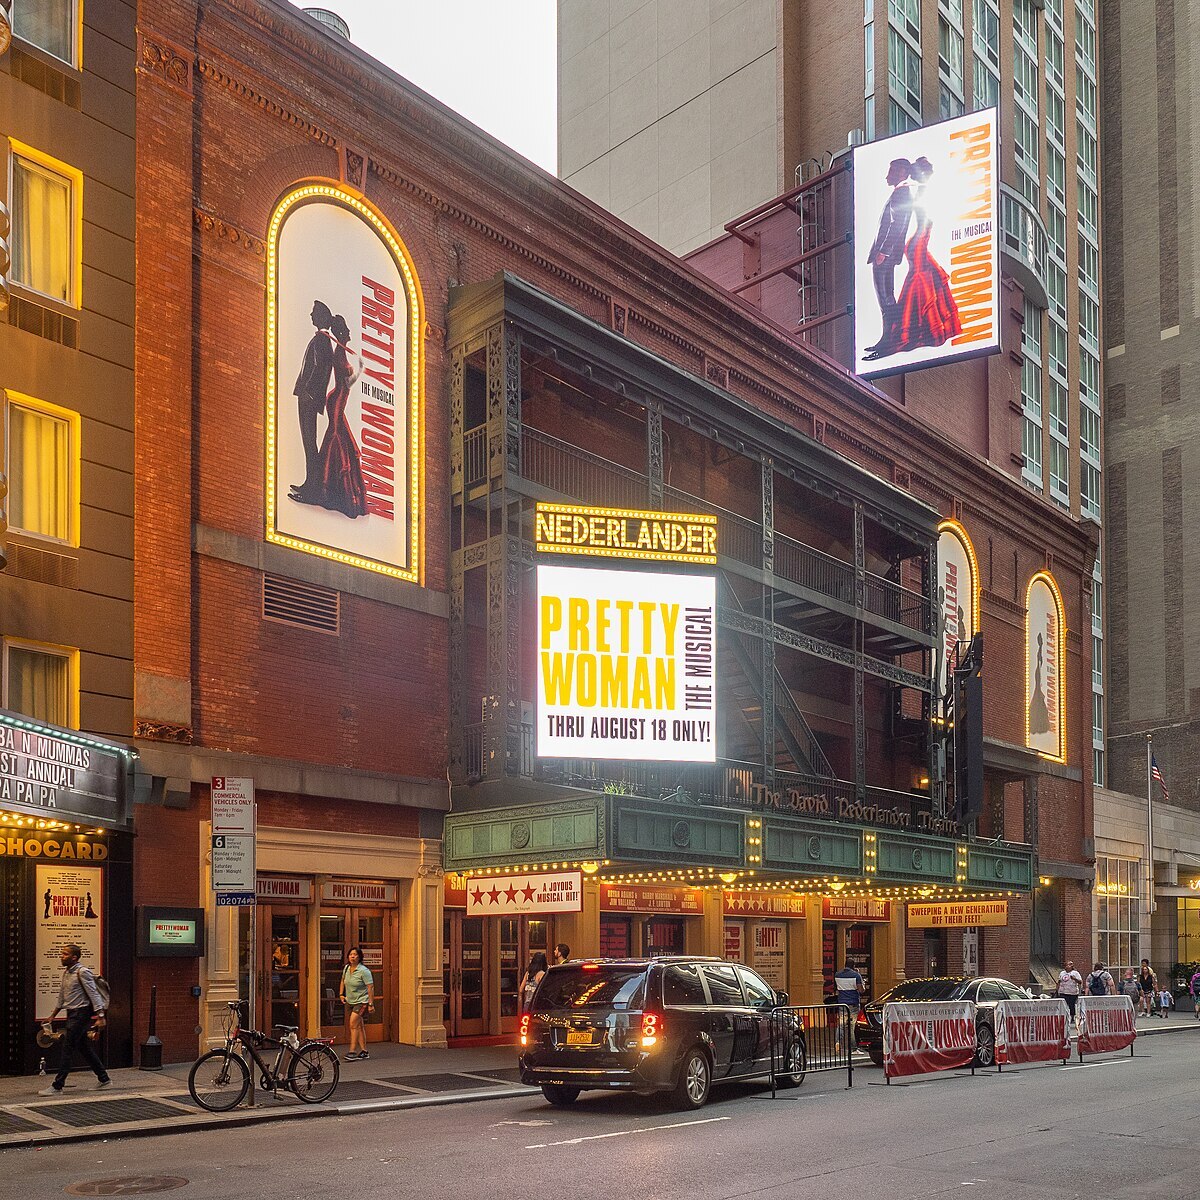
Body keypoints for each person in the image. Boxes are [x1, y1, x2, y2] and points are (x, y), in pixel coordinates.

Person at [890, 157, 963, 354]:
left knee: (926, 278)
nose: (931, 171)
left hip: (919, 241)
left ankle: (921, 330)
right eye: (928, 169)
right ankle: (923, 331)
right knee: (922, 279)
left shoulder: (921, 192)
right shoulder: (922, 192)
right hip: (919, 241)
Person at [311, 314, 369, 517]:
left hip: (338, 400)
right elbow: (345, 382)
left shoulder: (341, 351)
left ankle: (331, 485)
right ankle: (330, 488)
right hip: (336, 400)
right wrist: (360, 370)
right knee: (336, 434)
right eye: (347, 330)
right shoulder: (339, 353)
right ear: (342, 332)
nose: (350, 333)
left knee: (338, 434)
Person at [39, 944, 110, 1095]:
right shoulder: (67, 972)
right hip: (72, 1014)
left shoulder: (82, 972)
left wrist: (101, 1016)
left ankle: (57, 1086)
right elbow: (62, 995)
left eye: (64, 954)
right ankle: (104, 1079)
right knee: (84, 1048)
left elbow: (94, 995)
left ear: (74, 957)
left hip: (81, 1014)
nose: (61, 956)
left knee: (67, 1047)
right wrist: (53, 1015)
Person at [863, 157, 915, 361]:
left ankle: (889, 341)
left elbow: (897, 225)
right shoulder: (901, 192)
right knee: (887, 298)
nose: (887, 175)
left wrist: (883, 252)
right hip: (888, 255)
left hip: (886, 255)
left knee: (885, 298)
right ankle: (889, 338)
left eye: (892, 171)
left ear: (902, 172)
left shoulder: (901, 194)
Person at [290, 299, 335, 502]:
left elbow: (320, 370)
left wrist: (308, 392)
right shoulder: (321, 340)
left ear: (320, 317)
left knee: (310, 442)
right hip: (309, 398)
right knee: (308, 442)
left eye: (313, 313)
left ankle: (312, 490)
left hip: (309, 399)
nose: (310, 316)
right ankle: (310, 484)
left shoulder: (322, 341)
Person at [339, 946, 375, 1061]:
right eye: (350, 955)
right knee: (359, 1026)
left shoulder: (364, 971)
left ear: (359, 957)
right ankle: (364, 1051)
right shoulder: (346, 968)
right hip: (350, 1000)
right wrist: (341, 994)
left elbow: (370, 987)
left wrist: (370, 1003)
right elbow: (342, 981)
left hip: (361, 1001)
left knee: (353, 1024)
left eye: (355, 955)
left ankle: (352, 1051)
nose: (352, 957)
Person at [833, 959, 866, 1053]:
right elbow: (861, 990)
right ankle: (853, 1048)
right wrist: (862, 981)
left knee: (840, 1025)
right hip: (853, 1003)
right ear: (854, 966)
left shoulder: (837, 974)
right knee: (852, 1027)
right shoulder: (856, 975)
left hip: (842, 1003)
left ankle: (837, 1042)